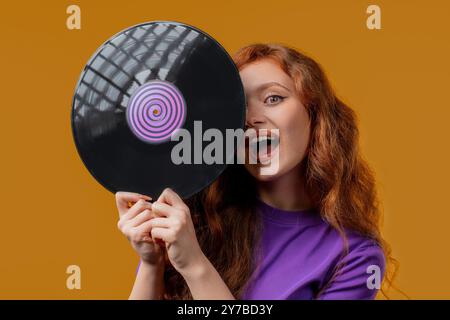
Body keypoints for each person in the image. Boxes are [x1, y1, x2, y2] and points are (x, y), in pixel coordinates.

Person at [115, 43, 392, 300]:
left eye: (273, 98)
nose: (251, 118)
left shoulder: (355, 256)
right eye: (239, 107)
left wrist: (194, 264)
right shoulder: (195, 222)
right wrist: (152, 263)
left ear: (315, 115)